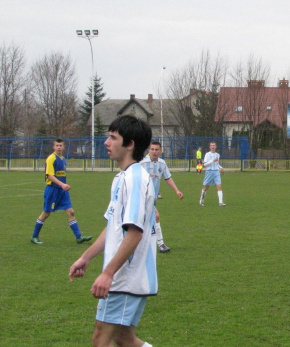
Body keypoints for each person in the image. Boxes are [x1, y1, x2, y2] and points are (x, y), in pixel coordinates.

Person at [69, 115, 156, 347]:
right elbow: (112, 227)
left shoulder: (136, 179)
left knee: (101, 339)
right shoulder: (121, 178)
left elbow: (134, 233)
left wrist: (108, 273)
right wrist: (85, 258)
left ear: (130, 145)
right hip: (125, 276)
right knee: (124, 339)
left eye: (112, 137)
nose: (106, 142)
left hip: (126, 277)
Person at [30, 138, 92, 245]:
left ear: (63, 147)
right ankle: (34, 236)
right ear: (54, 147)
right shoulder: (51, 158)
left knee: (70, 212)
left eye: (60, 145)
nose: (59, 147)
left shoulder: (63, 159)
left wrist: (63, 186)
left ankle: (79, 237)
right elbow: (49, 175)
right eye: (57, 145)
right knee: (46, 213)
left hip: (62, 191)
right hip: (52, 190)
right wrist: (62, 184)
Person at [140, 141, 184, 253]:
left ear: (160, 151)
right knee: (156, 216)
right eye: (152, 149)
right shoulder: (142, 163)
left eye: (156, 149)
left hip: (152, 198)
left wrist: (176, 190)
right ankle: (161, 244)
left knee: (142, 220)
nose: (154, 152)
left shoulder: (162, 164)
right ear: (148, 150)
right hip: (141, 197)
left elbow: (167, 178)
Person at [200, 142, 226, 206]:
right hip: (209, 172)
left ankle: (221, 202)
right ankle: (201, 200)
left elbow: (217, 164)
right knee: (206, 187)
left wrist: (221, 168)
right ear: (209, 147)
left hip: (216, 172)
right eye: (211, 145)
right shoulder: (207, 154)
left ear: (216, 146)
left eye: (214, 145)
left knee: (219, 186)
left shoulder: (217, 155)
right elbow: (204, 164)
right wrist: (212, 160)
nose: (213, 146)